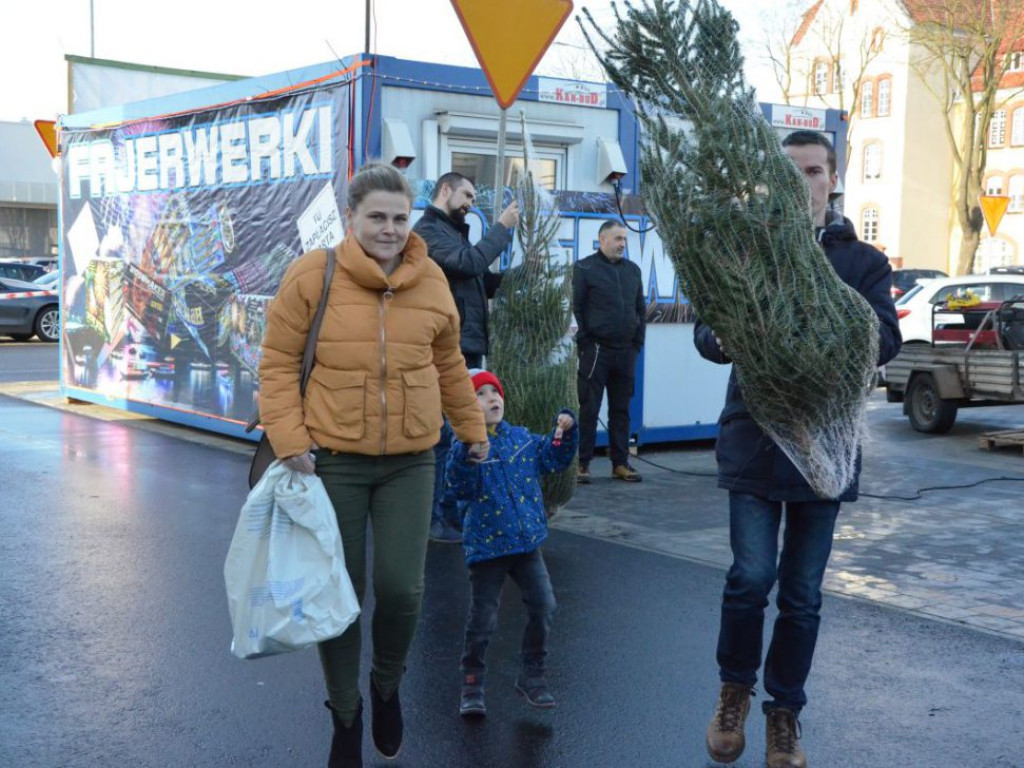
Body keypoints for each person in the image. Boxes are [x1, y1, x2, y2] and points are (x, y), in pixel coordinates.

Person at [258, 163, 490, 768]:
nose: (388, 229)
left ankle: (386, 685)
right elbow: (278, 363)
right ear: (350, 220)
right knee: (340, 594)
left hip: (411, 460)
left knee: (401, 589)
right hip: (329, 462)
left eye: (397, 217)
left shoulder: (433, 279)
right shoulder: (313, 276)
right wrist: (289, 439)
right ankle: (344, 712)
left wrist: (472, 427)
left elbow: (448, 365)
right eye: (376, 218)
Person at [694, 130, 901, 768]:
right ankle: (734, 691)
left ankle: (784, 714)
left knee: (803, 592)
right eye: (788, 172)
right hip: (755, 439)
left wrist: (832, 342)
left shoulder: (863, 262)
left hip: (826, 451)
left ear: (831, 179)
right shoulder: (747, 251)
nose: (801, 182)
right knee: (751, 577)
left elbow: (886, 341)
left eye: (812, 170)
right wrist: (726, 337)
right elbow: (707, 330)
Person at [445, 369, 577, 717]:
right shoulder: (464, 447)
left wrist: (566, 430)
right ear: (464, 406)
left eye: (495, 391)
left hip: (526, 545)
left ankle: (532, 675)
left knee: (544, 606)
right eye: (481, 394)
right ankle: (472, 680)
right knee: (484, 618)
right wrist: (468, 455)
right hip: (487, 550)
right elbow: (458, 488)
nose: (492, 398)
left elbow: (553, 457)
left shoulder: (520, 439)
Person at [413, 172, 520, 543]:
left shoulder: (455, 234)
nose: (471, 203)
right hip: (448, 347)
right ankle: (431, 519)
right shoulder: (428, 233)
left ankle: (449, 513)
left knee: (459, 431)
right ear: (445, 190)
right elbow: (470, 264)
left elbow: (479, 279)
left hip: (467, 343)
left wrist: (521, 274)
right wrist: (503, 228)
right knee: (442, 434)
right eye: (467, 195)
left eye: (474, 197)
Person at [571, 219, 646, 484]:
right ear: (602, 240)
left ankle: (620, 463)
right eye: (617, 239)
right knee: (588, 408)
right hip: (596, 351)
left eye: (624, 239)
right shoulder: (584, 268)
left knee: (621, 409)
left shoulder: (633, 271)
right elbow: (575, 308)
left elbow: (640, 310)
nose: (622, 244)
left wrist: (637, 344)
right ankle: (581, 463)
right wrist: (585, 344)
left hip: (625, 352)